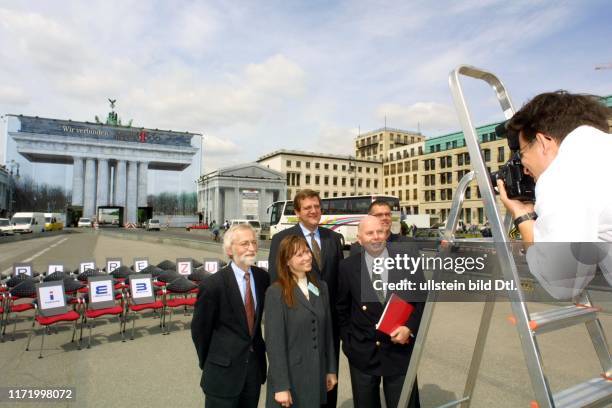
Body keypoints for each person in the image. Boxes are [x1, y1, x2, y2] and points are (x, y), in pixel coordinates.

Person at [497, 91, 611, 243]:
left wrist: (522, 215)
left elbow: (557, 266)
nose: (524, 169)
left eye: (522, 153)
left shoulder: (562, 175)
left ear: (543, 142)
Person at [267, 189, 344, 407]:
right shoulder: (282, 239)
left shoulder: (333, 238)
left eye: (317, 207)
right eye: (308, 208)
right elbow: (277, 280)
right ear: (298, 212)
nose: (313, 211)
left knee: (328, 391)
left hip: (326, 325)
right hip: (296, 327)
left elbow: (337, 283)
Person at [337, 216, 424, 408]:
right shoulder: (347, 267)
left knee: (404, 403)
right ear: (359, 238)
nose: (376, 237)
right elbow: (341, 310)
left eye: (380, 232)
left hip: (399, 350)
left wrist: (409, 328)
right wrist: (350, 343)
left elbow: (420, 300)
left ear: (386, 233)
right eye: (369, 233)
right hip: (363, 353)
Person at [191, 224, 271, 408]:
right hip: (222, 373)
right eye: (244, 243)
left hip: (253, 371)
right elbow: (200, 331)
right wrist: (212, 362)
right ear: (229, 250)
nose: (251, 248)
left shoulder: (262, 278)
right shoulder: (213, 285)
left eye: (253, 242)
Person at [264, 235, 337, 407]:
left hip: (317, 373)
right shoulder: (276, 292)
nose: (307, 257)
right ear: (286, 261)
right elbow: (274, 344)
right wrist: (281, 386)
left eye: (307, 252)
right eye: (299, 255)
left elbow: (327, 333)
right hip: (290, 377)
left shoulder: (320, 287)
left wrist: (331, 370)